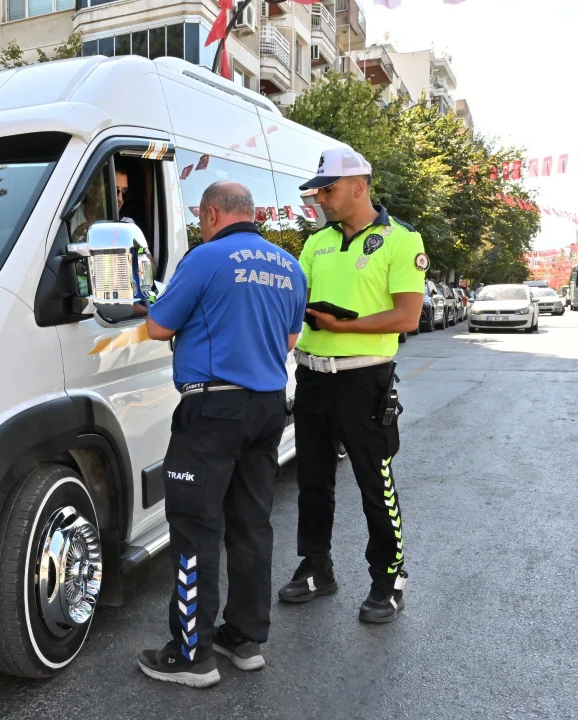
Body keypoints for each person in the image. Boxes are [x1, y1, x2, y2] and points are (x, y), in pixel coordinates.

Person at [136, 181, 307, 688]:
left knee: (195, 527)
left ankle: (192, 655)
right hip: (268, 407)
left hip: (212, 409)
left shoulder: (205, 258)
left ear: (211, 214)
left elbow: (158, 327)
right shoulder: (288, 265)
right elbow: (290, 339)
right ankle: (244, 639)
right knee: (251, 524)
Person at [279, 149, 426, 624]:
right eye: (317, 191)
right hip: (312, 376)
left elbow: (407, 315)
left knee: (374, 482)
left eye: (329, 189)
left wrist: (344, 326)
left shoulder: (400, 238)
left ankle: (389, 577)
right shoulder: (316, 242)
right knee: (312, 480)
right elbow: (295, 301)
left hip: (364, 380)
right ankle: (316, 567)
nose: (320, 198)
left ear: (359, 186)